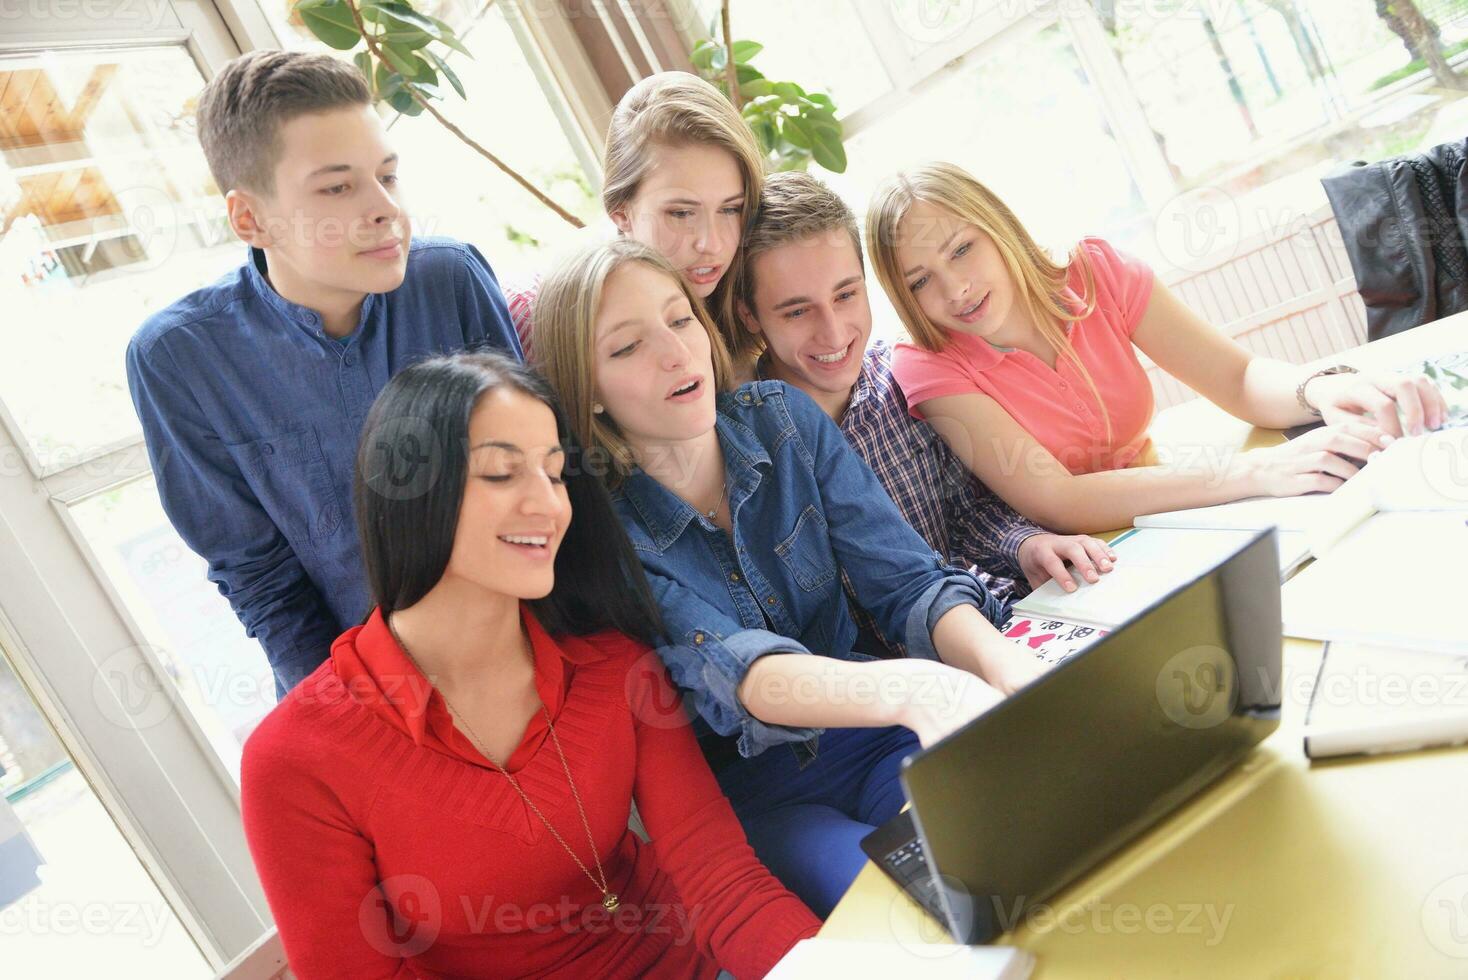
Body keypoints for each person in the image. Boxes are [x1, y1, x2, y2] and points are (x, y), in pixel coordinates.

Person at [240, 351, 818, 978]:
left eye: (555, 473)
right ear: (410, 495)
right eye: (500, 474)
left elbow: (723, 882)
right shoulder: (296, 760)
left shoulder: (615, 665)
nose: (548, 506)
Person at [532, 238, 1046, 916]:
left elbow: (909, 584)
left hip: (873, 741)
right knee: (904, 915)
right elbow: (740, 673)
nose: (675, 353)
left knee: (1014, 856)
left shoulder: (784, 421)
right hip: (758, 798)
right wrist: (917, 689)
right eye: (626, 347)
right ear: (587, 391)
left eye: (680, 319)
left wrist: (1006, 666)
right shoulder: (600, 529)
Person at [125, 51, 521, 694]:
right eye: (337, 188)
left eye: (387, 176)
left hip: (540, 649)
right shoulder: (178, 360)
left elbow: (551, 482)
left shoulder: (449, 278)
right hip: (363, 695)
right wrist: (367, 724)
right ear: (249, 219)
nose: (383, 208)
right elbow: (260, 581)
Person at [865, 162, 1451, 533]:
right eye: (919, 280)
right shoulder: (926, 363)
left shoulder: (1094, 273)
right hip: (1068, 560)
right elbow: (1057, 502)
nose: (954, 287)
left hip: (1170, 505)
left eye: (962, 249)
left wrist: (1325, 387)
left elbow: (1240, 379)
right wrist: (1260, 470)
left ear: (998, 228)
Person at [735, 171, 1117, 630]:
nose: (834, 333)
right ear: (750, 315)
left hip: (1002, 619)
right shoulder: (745, 451)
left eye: (846, 295)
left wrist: (1025, 545)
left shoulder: (902, 384)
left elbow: (967, 511)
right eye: (797, 311)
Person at [506, 70, 763, 362]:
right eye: (681, 213)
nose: (712, 244)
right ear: (621, 214)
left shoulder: (764, 276)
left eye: (731, 209)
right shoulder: (534, 319)